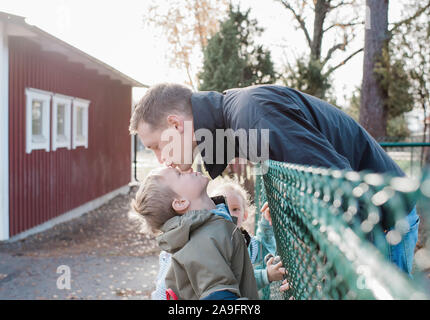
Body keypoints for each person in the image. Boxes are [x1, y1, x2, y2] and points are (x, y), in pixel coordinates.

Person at [129, 83, 419, 276]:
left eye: (155, 146)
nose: (160, 159)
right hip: (375, 223)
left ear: (176, 125)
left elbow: (337, 186)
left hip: (382, 224)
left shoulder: (251, 114)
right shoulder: (238, 117)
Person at [131, 166, 259, 300]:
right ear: (180, 203)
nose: (187, 169)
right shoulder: (202, 243)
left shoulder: (213, 224)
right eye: (179, 174)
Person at [150, 177, 288, 300]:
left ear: (245, 214)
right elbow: (227, 285)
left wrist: (266, 222)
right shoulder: (208, 244)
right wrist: (266, 275)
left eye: (235, 209)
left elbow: (264, 244)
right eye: (222, 208)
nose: (229, 213)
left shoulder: (245, 242)